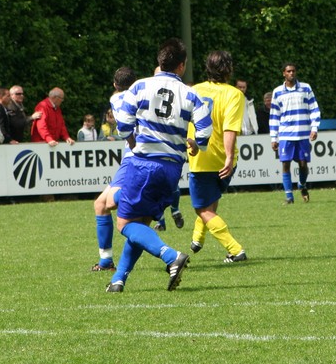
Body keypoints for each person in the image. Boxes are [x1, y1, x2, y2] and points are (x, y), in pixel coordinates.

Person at [105, 39, 212, 293]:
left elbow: (122, 121)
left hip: (143, 164)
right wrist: (196, 144)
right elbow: (205, 130)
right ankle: (118, 280)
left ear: (159, 61)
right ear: (182, 66)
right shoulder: (191, 94)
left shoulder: (140, 86)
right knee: (140, 225)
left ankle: (171, 256)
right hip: (171, 170)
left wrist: (131, 140)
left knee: (124, 224)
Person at [188, 50, 248, 262]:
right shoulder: (235, 94)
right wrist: (229, 158)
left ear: (207, 68)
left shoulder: (194, 90)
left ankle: (235, 250)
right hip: (225, 161)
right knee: (211, 200)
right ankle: (198, 237)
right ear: (229, 69)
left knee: (202, 209)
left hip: (201, 159)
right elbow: (230, 128)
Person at [92, 67, 138, 272]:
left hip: (134, 156)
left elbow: (125, 126)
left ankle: (170, 255)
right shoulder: (143, 93)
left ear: (114, 85)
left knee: (108, 203)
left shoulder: (116, 98)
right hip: (141, 154)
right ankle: (105, 261)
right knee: (101, 204)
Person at [270, 62, 321, 204]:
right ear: (284, 73)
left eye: (293, 71)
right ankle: (289, 197)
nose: (291, 73)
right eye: (288, 71)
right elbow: (274, 115)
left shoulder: (306, 88)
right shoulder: (277, 92)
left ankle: (302, 185)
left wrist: (314, 128)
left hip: (303, 134)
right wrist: (274, 137)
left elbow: (314, 108)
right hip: (285, 134)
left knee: (303, 164)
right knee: (285, 164)